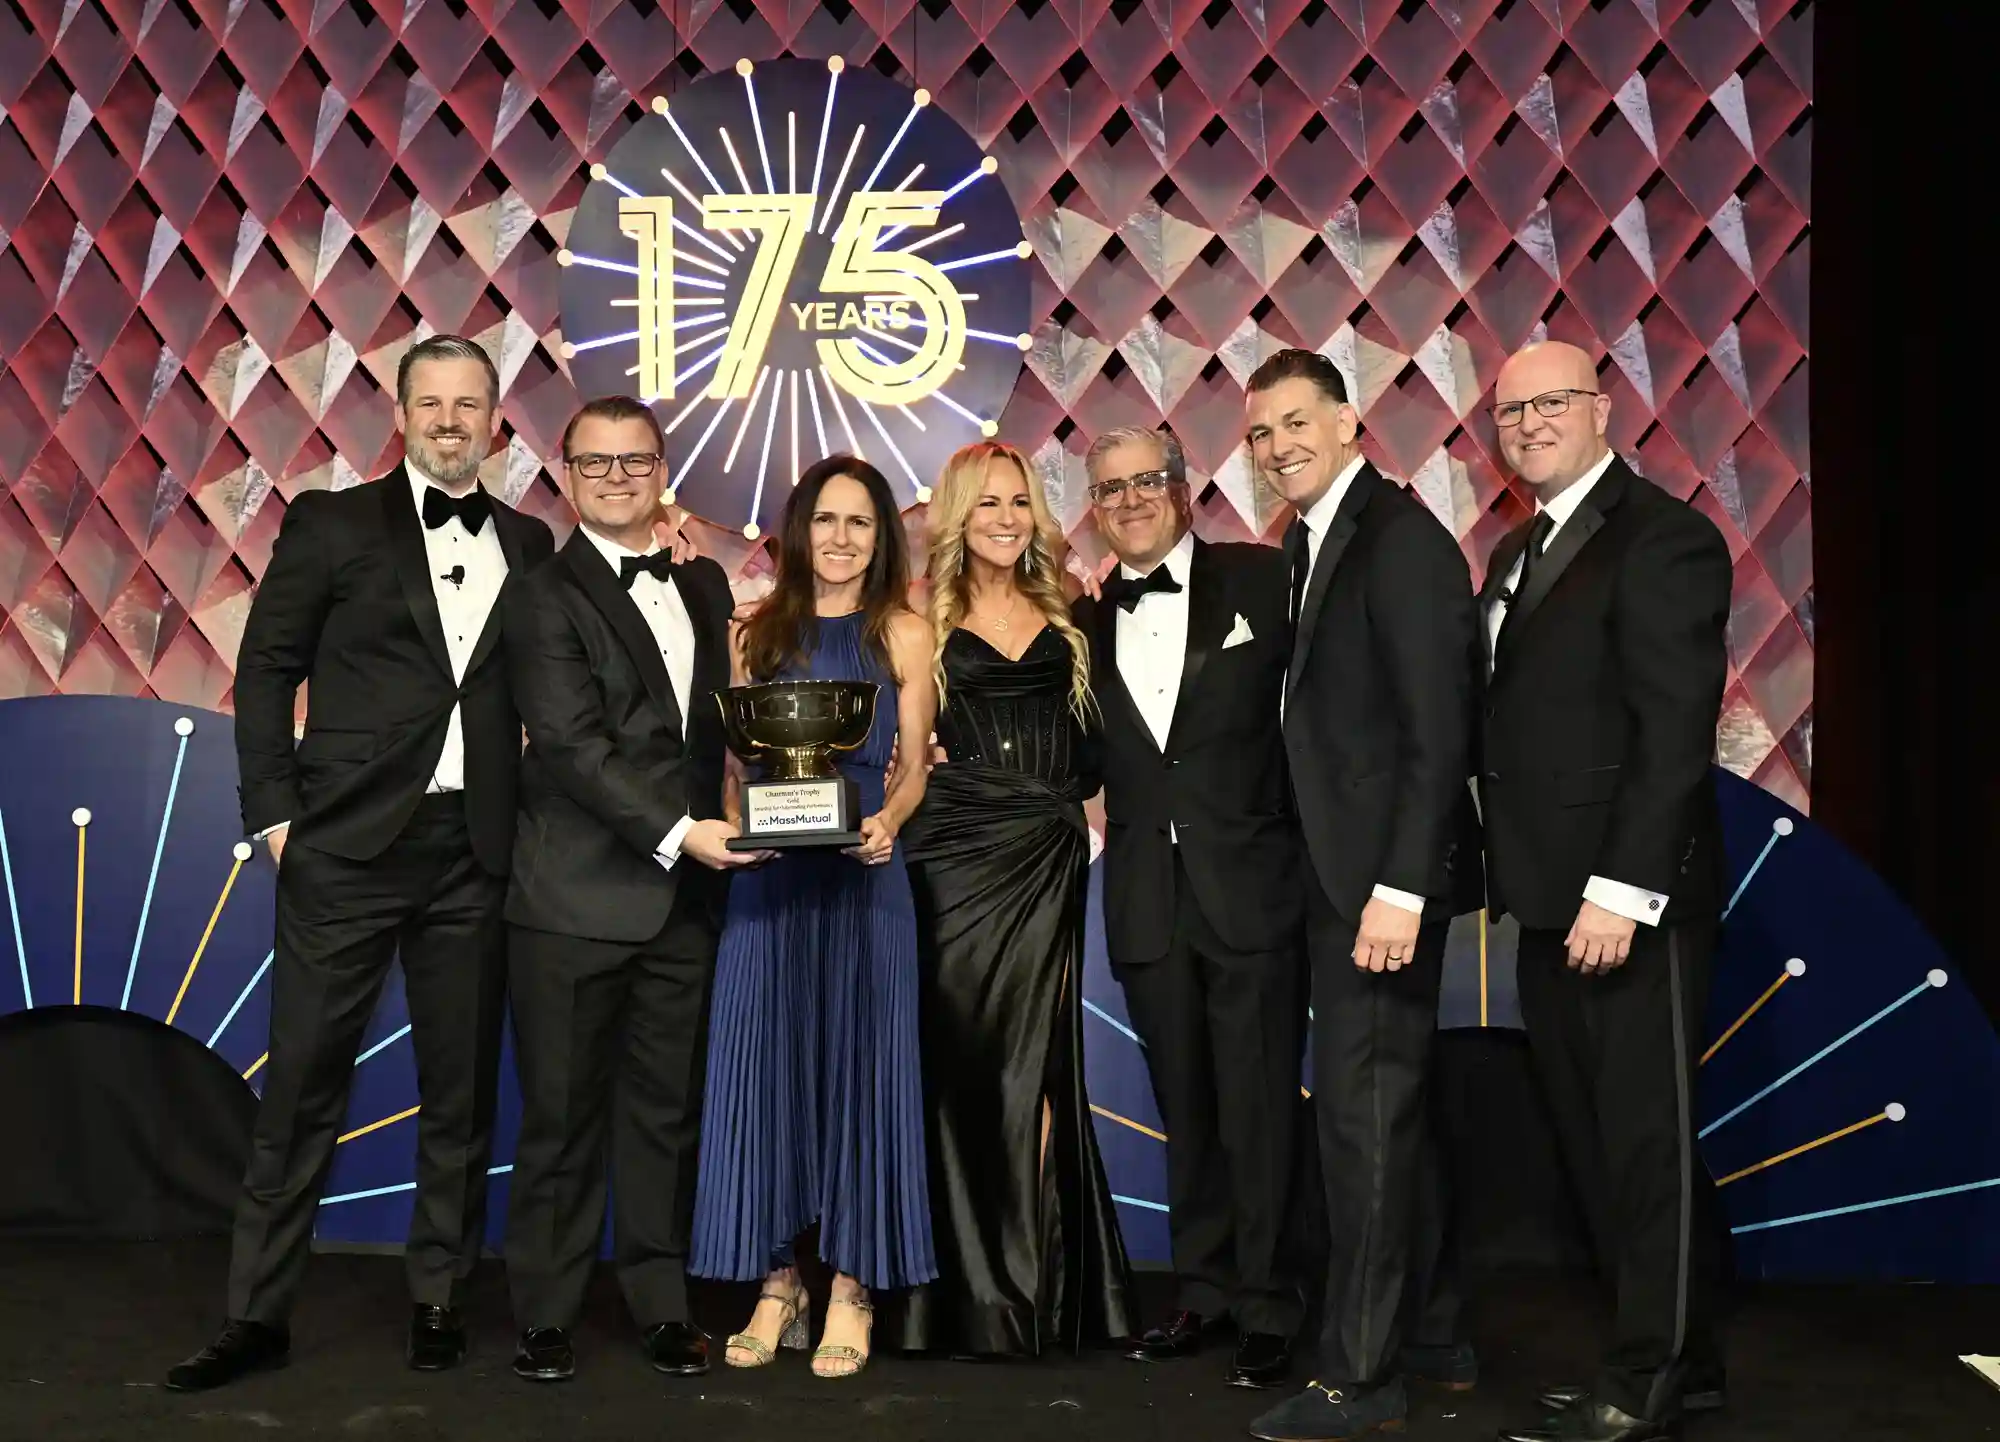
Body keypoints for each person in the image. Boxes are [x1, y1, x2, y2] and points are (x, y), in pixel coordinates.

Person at [166, 335, 555, 1392]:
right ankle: (256, 1315)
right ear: (401, 413)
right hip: (342, 846)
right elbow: (265, 667)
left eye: (468, 403)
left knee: (459, 1091)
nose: (450, 420)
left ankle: (439, 1299)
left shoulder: (530, 541)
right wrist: (275, 815)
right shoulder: (330, 522)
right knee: (300, 1086)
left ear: (495, 419)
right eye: (431, 402)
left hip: (475, 850)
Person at [1481, 343, 1732, 1442]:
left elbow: (1672, 733)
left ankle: (1646, 1376)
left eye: (1551, 401)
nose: (1529, 422)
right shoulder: (1515, 548)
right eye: (1510, 410)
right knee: (1593, 1140)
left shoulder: (1663, 536)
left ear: (1601, 407)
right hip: (1543, 899)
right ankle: (1685, 1358)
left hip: (1628, 902)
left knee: (1643, 1142)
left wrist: (1619, 891)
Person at [499, 394, 767, 1383]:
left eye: (635, 461)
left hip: (684, 905)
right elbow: (572, 747)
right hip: (574, 902)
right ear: (567, 475)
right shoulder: (539, 594)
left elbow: (722, 727)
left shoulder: (701, 582)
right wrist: (683, 833)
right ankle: (546, 1315)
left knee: (664, 1115)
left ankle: (661, 1304)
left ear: (662, 471)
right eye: (596, 463)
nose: (617, 478)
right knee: (562, 1120)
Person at [1242, 350, 1484, 1442]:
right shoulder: (1310, 540)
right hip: (1340, 881)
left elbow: (1438, 733)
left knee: (1364, 1124)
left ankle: (1359, 1375)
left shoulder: (1399, 539)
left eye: (1296, 421)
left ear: (1348, 422)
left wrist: (1399, 886)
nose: (1277, 445)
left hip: (1379, 889)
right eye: (1260, 432)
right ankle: (1427, 1333)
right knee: (1388, 1117)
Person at [689, 455, 937, 1378]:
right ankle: (778, 1280)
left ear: (882, 538)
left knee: (863, 1077)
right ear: (799, 531)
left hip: (865, 880)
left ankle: (853, 1288)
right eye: (825, 519)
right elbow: (735, 770)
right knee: (768, 1076)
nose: (840, 538)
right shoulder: (752, 632)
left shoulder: (905, 632)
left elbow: (914, 767)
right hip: (769, 887)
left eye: (859, 522)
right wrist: (739, 829)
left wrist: (888, 822)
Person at [1072, 425, 1306, 1388]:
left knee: (1260, 1106)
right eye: (1109, 489)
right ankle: (1204, 1293)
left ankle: (1272, 1301)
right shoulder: (1080, 625)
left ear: (1182, 487)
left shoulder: (1264, 578)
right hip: (1146, 898)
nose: (1129, 501)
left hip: (1251, 888)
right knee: (1188, 1105)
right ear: (1093, 507)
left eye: (1145, 482)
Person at [897, 440, 1137, 1357]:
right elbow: (897, 743)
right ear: (957, 517)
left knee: (1035, 1069)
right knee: (959, 1068)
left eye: (1019, 502)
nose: (1005, 518)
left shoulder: (1071, 608)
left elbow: (1097, 747)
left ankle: (1033, 1291)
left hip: (1044, 852)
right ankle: (962, 1295)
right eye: (987, 503)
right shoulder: (919, 615)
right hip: (951, 856)